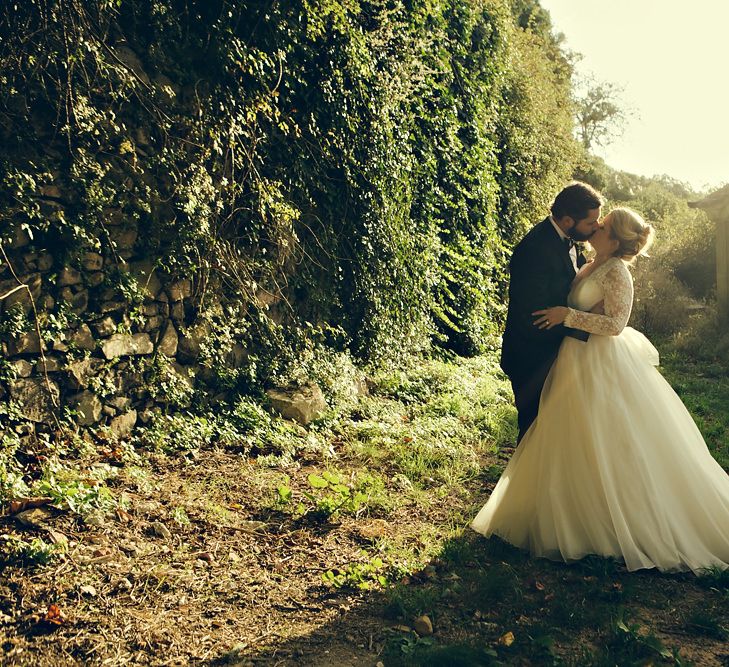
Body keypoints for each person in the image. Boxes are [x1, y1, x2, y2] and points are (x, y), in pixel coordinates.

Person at [473, 207, 729, 573]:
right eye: (597, 221)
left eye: (603, 225)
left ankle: (616, 523)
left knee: (608, 438)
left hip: (601, 362)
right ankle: (566, 513)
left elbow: (616, 325)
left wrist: (569, 315)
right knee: (569, 435)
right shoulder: (591, 261)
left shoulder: (618, 272)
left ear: (614, 237)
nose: (596, 226)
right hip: (574, 358)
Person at [500, 182, 603, 443]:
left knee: (556, 435)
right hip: (532, 358)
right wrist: (580, 326)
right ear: (568, 220)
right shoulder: (535, 248)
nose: (597, 227)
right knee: (534, 433)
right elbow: (534, 315)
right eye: (591, 222)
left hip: (556, 354)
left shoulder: (567, 240)